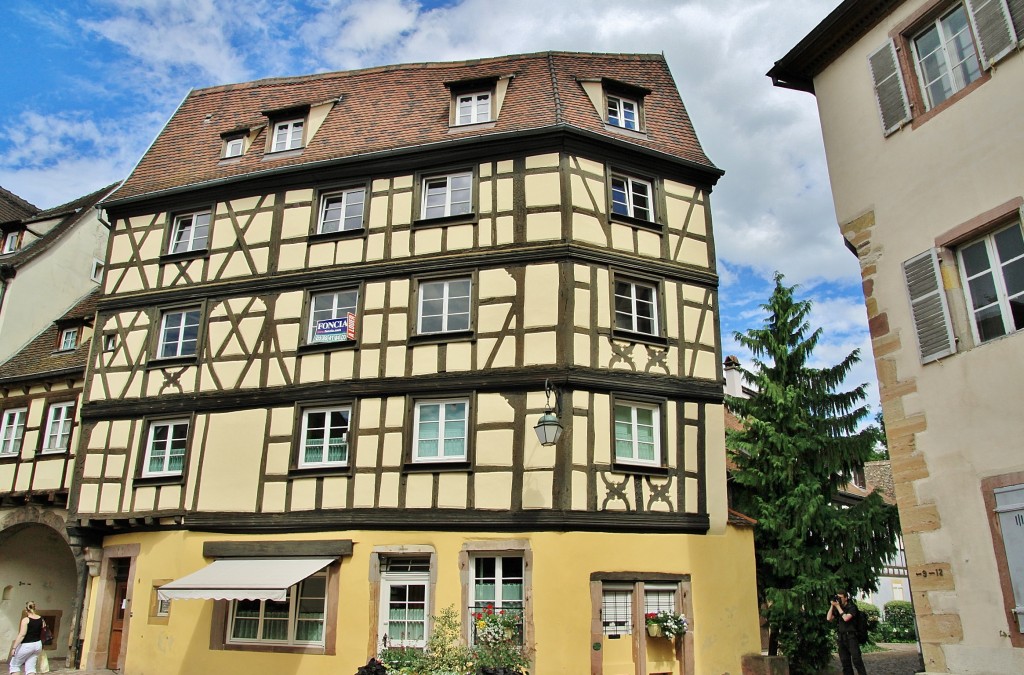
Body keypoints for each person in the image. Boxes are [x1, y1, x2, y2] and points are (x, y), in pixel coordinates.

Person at [827, 590, 866, 675]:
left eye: (840, 598)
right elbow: (829, 618)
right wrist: (832, 606)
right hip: (841, 638)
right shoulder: (839, 608)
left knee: (857, 660)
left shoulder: (852, 607)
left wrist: (837, 607)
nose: (839, 599)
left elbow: (846, 618)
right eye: (838, 597)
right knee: (845, 662)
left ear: (846, 598)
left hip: (851, 637)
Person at [8, 601, 43, 675]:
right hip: (37, 645)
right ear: (34, 608)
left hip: (27, 645)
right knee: (31, 668)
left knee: (14, 665)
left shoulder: (26, 620)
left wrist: (14, 648)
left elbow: (22, 635)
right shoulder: (41, 619)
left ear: (26, 609)